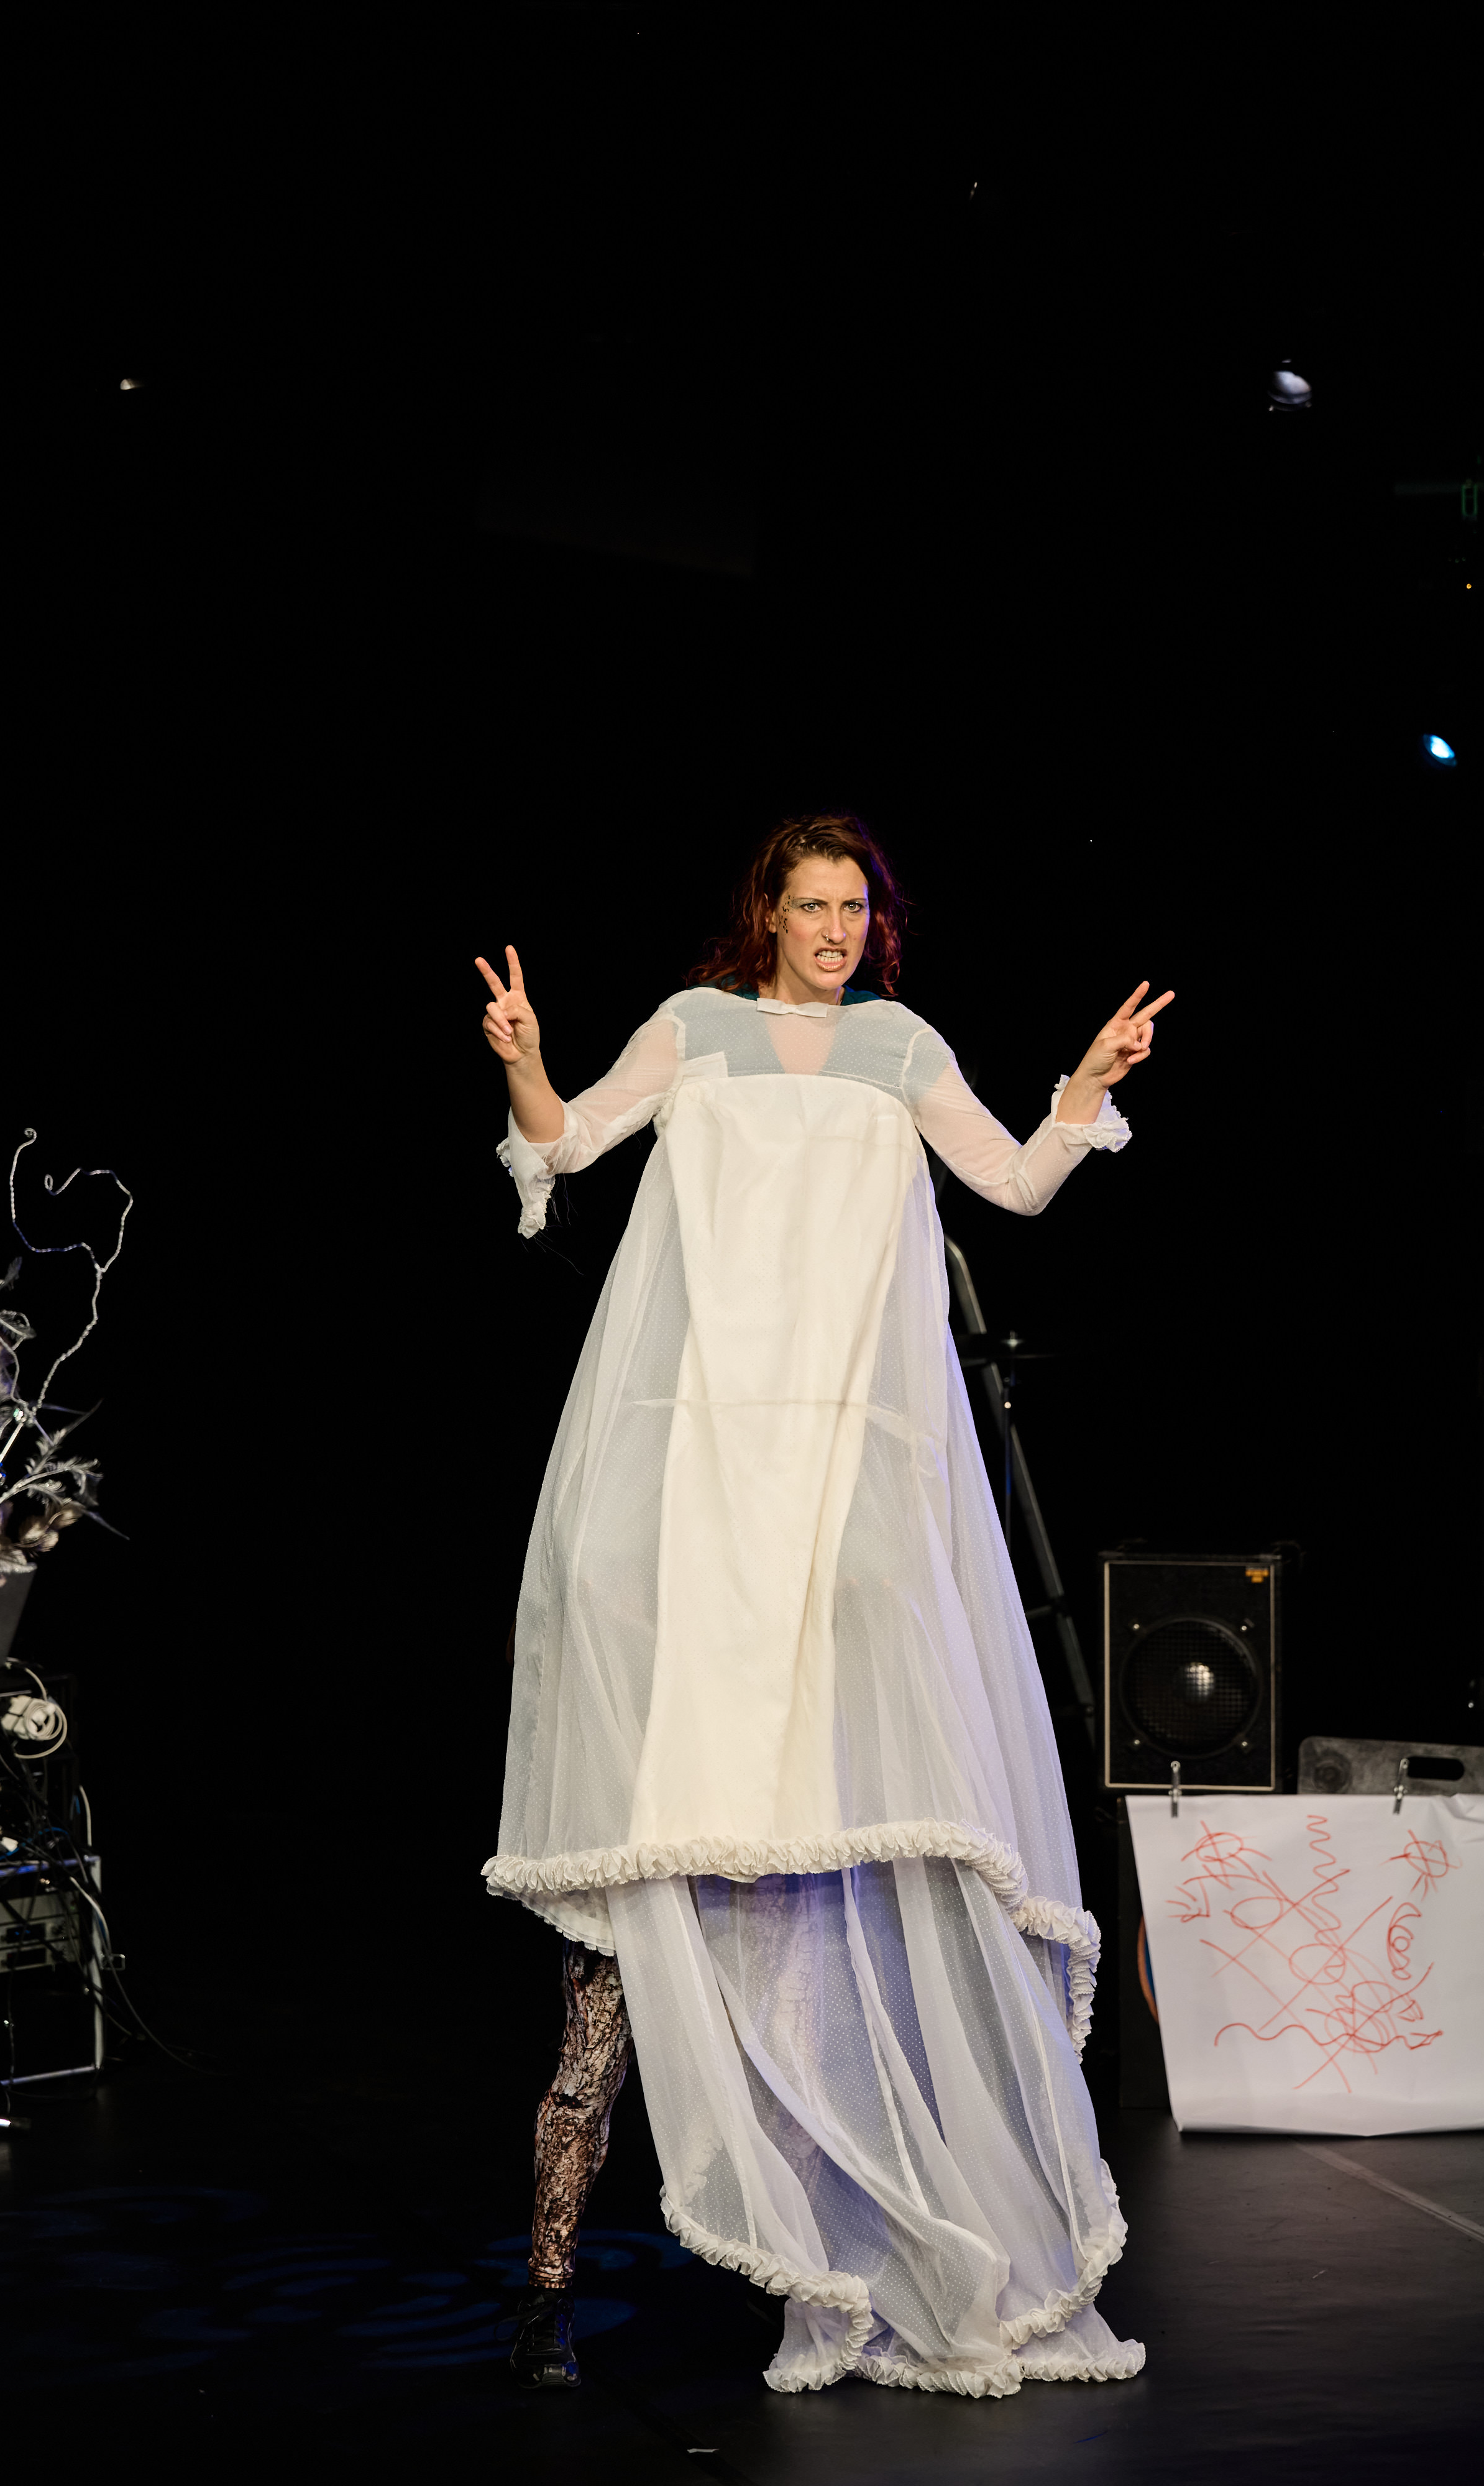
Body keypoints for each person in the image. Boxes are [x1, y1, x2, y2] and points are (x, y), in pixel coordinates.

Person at [479, 812, 1170, 2397]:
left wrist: (1082, 1088)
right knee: (647, 1880)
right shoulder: (695, 1028)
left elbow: (1012, 1182)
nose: (836, 926)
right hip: (705, 1469)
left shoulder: (899, 1047)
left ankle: (857, 2230)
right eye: (811, 903)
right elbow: (566, 1146)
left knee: (826, 1850)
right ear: (767, 913)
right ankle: (548, 2283)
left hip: (839, 1470)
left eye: (855, 904)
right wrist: (523, 1061)